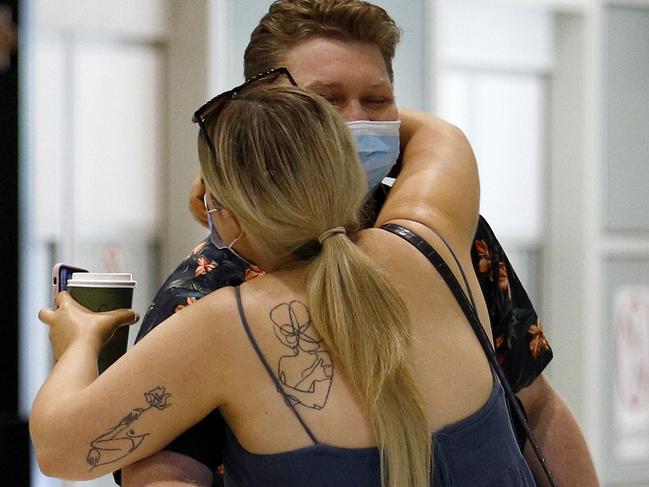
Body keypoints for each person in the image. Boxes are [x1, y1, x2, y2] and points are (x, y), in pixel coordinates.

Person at [118, 1, 598, 486]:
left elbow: (534, 406)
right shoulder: (207, 288)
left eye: (376, 100)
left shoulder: (447, 241)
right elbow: (162, 468)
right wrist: (246, 144)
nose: (356, 123)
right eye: (326, 101)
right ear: (269, 110)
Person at [33, 82, 536, 486]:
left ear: (224, 219)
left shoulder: (224, 327)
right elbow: (438, 137)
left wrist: (79, 341)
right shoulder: (430, 241)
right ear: (350, 169)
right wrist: (324, 120)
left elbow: (62, 451)